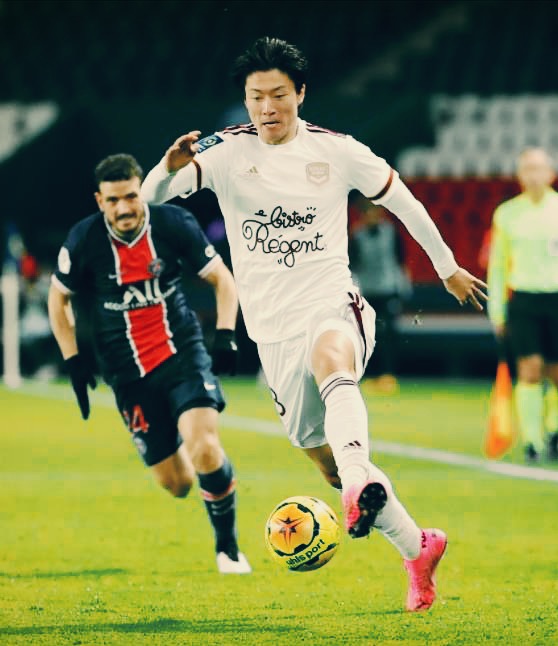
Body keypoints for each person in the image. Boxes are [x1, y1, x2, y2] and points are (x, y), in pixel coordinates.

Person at [141, 37, 486, 611]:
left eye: (278, 94)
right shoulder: (225, 152)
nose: (267, 107)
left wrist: (446, 268)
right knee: (323, 460)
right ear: (246, 100)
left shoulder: (338, 150)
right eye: (256, 97)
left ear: (300, 93)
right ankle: (417, 547)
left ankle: (357, 478)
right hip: (271, 331)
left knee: (333, 360)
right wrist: (166, 168)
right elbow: (152, 199)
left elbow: (403, 201)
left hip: (331, 301)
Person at [48, 153, 251, 574]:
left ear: (141, 192)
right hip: (127, 374)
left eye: (130, 196)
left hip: (181, 354)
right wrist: (73, 361)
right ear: (99, 201)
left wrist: (226, 334)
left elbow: (221, 278)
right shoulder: (84, 239)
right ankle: (205, 470)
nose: (124, 208)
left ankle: (228, 548)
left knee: (204, 447)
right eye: (113, 200)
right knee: (177, 484)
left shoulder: (173, 224)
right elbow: (58, 298)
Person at [487, 147, 558, 463]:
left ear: (551, 173)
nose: (533, 175)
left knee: (557, 372)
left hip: (557, 298)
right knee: (529, 370)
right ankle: (533, 440)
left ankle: (554, 429)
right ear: (519, 175)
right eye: (527, 169)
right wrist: (497, 309)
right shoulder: (507, 214)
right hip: (524, 299)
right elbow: (498, 264)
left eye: (538, 168)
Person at [349, 193, 412, 394]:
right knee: (366, 334)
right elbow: (353, 265)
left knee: (388, 335)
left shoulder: (391, 232)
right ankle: (368, 375)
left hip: (388, 289)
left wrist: (403, 290)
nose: (373, 216)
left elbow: (400, 261)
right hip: (367, 291)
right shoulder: (356, 235)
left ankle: (388, 375)